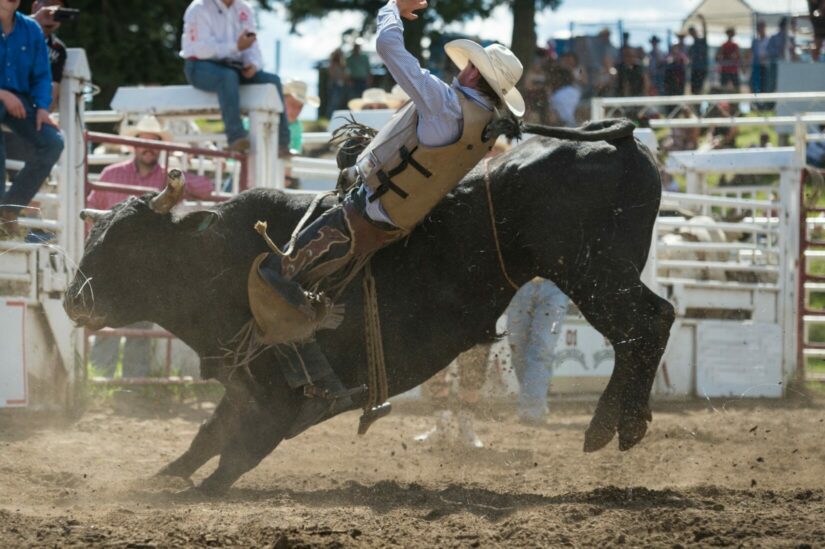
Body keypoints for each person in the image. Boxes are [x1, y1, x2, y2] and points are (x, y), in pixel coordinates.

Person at [248, 0, 524, 438]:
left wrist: (391, 8)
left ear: (475, 74)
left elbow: (388, 47)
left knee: (272, 276)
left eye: (470, 64)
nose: (464, 68)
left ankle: (324, 384)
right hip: (396, 220)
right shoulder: (483, 123)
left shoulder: (444, 103)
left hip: (363, 216)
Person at [180, 0, 291, 155]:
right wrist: (236, 47)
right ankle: (236, 137)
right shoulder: (199, 8)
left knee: (272, 81)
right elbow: (201, 50)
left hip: (233, 67)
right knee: (227, 77)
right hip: (199, 67)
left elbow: (252, 46)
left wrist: (252, 64)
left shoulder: (244, 8)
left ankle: (282, 144)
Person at [0, 0, 64, 240]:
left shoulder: (31, 29)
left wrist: (41, 108)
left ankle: (9, 209)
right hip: (5, 97)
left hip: (21, 102)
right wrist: (3, 94)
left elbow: (41, 74)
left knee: (53, 142)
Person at [86, 116, 213, 210]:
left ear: (161, 147)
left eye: (154, 143)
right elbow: (92, 206)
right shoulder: (111, 174)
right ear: (135, 145)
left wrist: (178, 182)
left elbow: (206, 188)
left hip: (153, 243)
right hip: (117, 242)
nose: (148, 147)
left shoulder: (168, 176)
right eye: (143, 142)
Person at [506, 278, 569, 424]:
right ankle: (533, 403)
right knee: (517, 350)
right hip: (519, 283)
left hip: (554, 286)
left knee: (541, 350)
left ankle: (533, 410)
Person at [30, 0, 68, 111]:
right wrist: (34, 19)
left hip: (34, 109)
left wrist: (44, 112)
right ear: (35, 6)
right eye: (47, 6)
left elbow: (54, 88)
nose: (51, 14)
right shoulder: (14, 29)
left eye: (58, 11)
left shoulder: (58, 49)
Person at [282, 79, 320, 155]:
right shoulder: (265, 120)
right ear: (281, 100)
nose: (296, 110)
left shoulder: (297, 125)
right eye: (292, 104)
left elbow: (296, 151)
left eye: (300, 107)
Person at [766, 18, 791, 94]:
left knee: (785, 83)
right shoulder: (774, 37)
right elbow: (769, 50)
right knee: (772, 83)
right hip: (775, 64)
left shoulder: (790, 38)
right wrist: (779, 52)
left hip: (787, 65)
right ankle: (769, 103)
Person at [687, 15, 708, 94]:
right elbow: (689, 59)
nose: (693, 33)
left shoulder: (702, 41)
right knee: (694, 90)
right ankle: (695, 105)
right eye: (691, 32)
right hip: (694, 70)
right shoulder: (691, 47)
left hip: (702, 69)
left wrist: (703, 21)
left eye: (693, 31)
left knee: (701, 89)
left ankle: (698, 105)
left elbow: (705, 31)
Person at [326, 48, 349, 118]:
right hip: (335, 86)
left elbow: (346, 75)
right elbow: (332, 75)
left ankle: (337, 117)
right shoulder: (332, 64)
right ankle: (330, 117)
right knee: (333, 103)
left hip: (342, 86)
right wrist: (341, 75)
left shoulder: (343, 65)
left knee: (340, 103)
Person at [750, 21, 769, 94]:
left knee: (764, 84)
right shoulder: (755, 41)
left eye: (761, 27)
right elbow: (752, 52)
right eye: (759, 28)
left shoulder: (768, 40)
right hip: (756, 66)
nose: (760, 30)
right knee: (755, 84)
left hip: (765, 66)